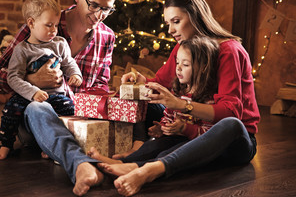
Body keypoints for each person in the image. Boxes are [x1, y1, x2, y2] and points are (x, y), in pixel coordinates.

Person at [105, 0, 260, 197]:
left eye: (176, 21)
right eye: (168, 23)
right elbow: (161, 83)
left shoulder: (229, 51)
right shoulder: (182, 48)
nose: (170, 30)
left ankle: (150, 168)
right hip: (193, 127)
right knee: (152, 105)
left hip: (231, 140)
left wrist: (180, 105)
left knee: (231, 125)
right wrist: (141, 81)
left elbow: (231, 112)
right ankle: (124, 161)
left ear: (195, 17)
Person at [0, 0, 120, 196]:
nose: (99, 15)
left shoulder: (107, 36)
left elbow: (101, 84)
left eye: (107, 9)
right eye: (94, 5)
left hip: (74, 117)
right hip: (36, 116)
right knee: (39, 108)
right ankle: (80, 165)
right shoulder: (44, 22)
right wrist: (31, 79)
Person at [88, 36, 219, 168]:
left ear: (203, 67)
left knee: (168, 154)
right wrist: (161, 127)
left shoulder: (208, 99)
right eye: (177, 63)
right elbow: (169, 114)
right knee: (153, 145)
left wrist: (184, 128)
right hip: (173, 137)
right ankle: (123, 162)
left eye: (185, 64)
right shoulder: (178, 90)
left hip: (191, 144)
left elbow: (209, 135)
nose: (178, 68)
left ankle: (132, 167)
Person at [0, 0, 83, 160]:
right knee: (10, 110)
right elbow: (13, 78)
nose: (54, 30)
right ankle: (6, 144)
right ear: (31, 23)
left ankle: (53, 144)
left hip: (56, 95)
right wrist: (33, 92)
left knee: (73, 111)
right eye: (48, 25)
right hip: (28, 97)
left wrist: (75, 74)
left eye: (55, 25)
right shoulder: (22, 50)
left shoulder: (60, 43)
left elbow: (69, 63)